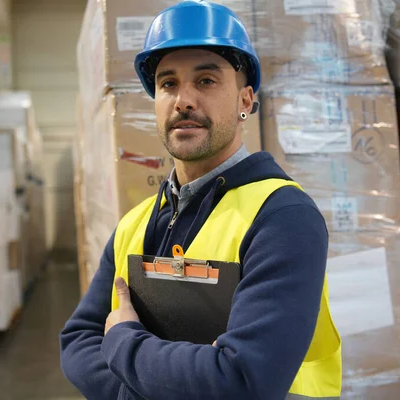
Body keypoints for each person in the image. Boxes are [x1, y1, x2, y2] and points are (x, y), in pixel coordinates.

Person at [60, 1, 342, 399]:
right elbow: (77, 340)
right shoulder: (135, 224)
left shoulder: (283, 217)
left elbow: (243, 381)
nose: (183, 100)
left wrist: (123, 340)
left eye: (206, 80)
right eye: (168, 83)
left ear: (245, 101)